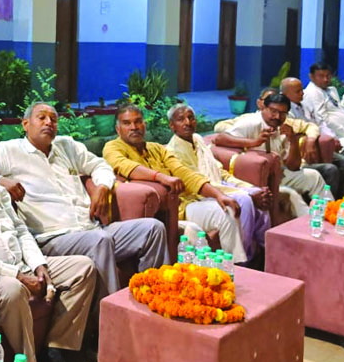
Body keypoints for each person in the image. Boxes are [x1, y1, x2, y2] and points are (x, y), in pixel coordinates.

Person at [0, 102, 169, 300]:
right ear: (25, 124)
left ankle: (156, 299)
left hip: (91, 228)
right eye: (42, 118)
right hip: (52, 237)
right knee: (101, 241)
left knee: (153, 229)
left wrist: (102, 187)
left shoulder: (67, 146)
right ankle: (111, 318)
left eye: (54, 119)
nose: (49, 122)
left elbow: (100, 165)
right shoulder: (8, 151)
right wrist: (1, 180)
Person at [0, 138, 96, 362]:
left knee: (83, 268)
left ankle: (59, 348)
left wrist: (39, 266)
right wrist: (17, 275)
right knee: (13, 289)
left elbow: (20, 230)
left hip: (20, 262)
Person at [102, 104, 248, 263]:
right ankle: (202, 281)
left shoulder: (156, 148)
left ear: (145, 125)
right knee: (192, 231)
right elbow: (126, 166)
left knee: (226, 211)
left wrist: (218, 195)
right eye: (127, 123)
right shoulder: (112, 148)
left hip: (184, 206)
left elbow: (184, 173)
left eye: (138, 122)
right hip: (158, 215)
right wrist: (161, 177)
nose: (134, 127)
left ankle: (234, 267)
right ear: (118, 129)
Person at [165, 104, 271, 262]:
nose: (187, 122)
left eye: (191, 118)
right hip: (196, 197)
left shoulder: (198, 140)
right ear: (172, 126)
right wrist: (240, 193)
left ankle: (266, 253)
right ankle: (245, 259)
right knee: (243, 200)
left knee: (259, 196)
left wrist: (248, 188)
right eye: (181, 119)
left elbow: (219, 172)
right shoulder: (173, 151)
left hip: (217, 186)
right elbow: (197, 184)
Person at [212, 93, 326, 216]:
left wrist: (293, 140)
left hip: (279, 174)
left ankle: (328, 214)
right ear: (263, 108)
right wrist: (254, 142)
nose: (277, 116)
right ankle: (310, 225)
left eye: (283, 113)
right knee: (291, 195)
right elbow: (220, 139)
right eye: (273, 111)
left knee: (314, 177)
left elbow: (294, 167)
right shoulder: (251, 123)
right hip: (256, 179)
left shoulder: (282, 127)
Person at [280, 78, 344, 196]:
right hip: (305, 153)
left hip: (322, 144)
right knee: (334, 168)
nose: (302, 93)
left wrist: (331, 138)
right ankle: (332, 200)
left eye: (302, 90)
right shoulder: (286, 113)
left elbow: (318, 124)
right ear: (284, 95)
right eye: (298, 91)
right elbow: (299, 135)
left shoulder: (305, 104)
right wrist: (312, 138)